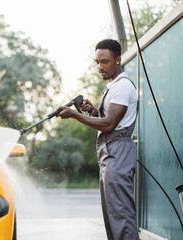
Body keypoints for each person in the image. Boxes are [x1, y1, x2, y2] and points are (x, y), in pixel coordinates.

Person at [56, 39, 139, 240]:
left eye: (105, 61)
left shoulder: (122, 87)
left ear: (118, 60)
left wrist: (74, 115)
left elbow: (110, 124)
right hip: (110, 154)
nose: (99, 67)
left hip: (117, 153)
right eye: (97, 62)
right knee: (112, 215)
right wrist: (93, 111)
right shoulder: (113, 86)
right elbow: (111, 120)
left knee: (121, 215)